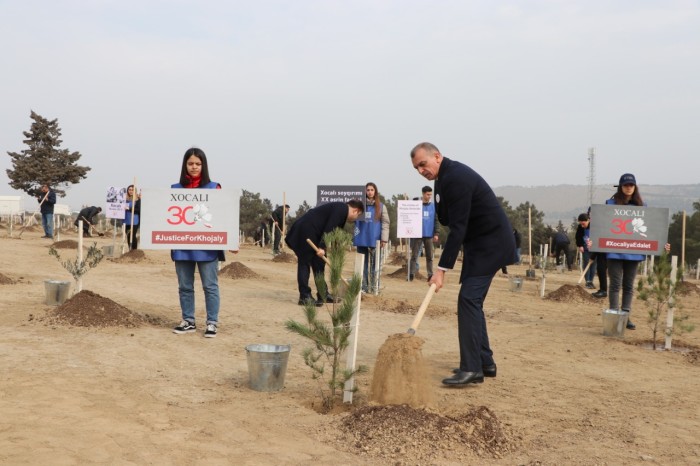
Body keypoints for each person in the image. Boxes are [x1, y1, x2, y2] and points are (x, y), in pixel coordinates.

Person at [410, 142, 515, 386]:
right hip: (480, 246)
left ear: (437, 156)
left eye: (423, 164)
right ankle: (485, 363)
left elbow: (457, 227)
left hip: (491, 244)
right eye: (416, 168)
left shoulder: (454, 177)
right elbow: (446, 216)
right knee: (472, 301)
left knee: (468, 300)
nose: (420, 171)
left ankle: (472, 369)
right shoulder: (444, 177)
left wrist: (441, 270)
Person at [597, 173, 670, 330]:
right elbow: (601, 226)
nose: (628, 188)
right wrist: (593, 241)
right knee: (615, 285)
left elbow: (652, 229)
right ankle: (615, 315)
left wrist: (662, 244)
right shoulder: (610, 204)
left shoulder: (642, 207)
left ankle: (626, 316)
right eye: (625, 185)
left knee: (629, 285)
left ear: (635, 187)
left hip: (634, 252)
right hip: (614, 251)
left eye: (631, 185)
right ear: (621, 187)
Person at [171, 148, 230, 338]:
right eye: (190, 164)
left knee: (210, 286)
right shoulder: (175, 189)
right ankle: (188, 320)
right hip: (182, 246)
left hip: (207, 247)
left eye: (198, 164)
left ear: (203, 166)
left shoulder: (214, 188)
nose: (194, 167)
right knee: (185, 286)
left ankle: (212, 323)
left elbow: (223, 215)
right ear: (185, 165)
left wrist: (231, 240)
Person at [285, 200, 364, 306]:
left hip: (314, 234)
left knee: (319, 263)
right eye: (358, 216)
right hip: (305, 231)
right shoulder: (341, 209)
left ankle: (323, 294)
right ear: (356, 211)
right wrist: (322, 247)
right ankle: (304, 296)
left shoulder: (341, 211)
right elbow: (329, 227)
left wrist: (334, 251)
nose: (355, 219)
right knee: (305, 262)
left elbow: (335, 233)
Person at [353, 182, 390, 293]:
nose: (369, 192)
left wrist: (384, 239)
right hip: (362, 238)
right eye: (368, 190)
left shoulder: (381, 206)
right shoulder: (359, 206)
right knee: (363, 265)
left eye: (372, 190)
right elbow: (351, 218)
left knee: (375, 265)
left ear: (375, 192)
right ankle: (364, 287)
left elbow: (385, 223)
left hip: (375, 240)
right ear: (365, 191)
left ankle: (374, 287)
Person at [409, 186, 438, 282]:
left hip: (429, 235)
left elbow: (436, 220)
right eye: (427, 194)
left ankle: (430, 274)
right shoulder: (416, 204)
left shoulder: (433, 206)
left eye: (430, 194)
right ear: (423, 193)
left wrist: (436, 233)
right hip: (417, 234)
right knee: (414, 255)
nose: (429, 196)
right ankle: (411, 273)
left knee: (429, 257)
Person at [575, 213, 596, 288]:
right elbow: (578, 237)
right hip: (585, 249)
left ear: (588, 220)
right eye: (581, 223)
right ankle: (587, 281)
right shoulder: (580, 228)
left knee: (593, 264)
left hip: (594, 249)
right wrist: (580, 245)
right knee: (586, 263)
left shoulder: (594, 226)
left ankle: (591, 281)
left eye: (583, 223)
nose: (582, 225)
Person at [124, 185, 141, 250]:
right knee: (128, 235)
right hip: (127, 220)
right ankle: (130, 250)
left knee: (132, 235)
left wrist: (129, 209)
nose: (131, 191)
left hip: (135, 220)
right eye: (129, 189)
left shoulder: (137, 200)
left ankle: (134, 250)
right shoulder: (125, 200)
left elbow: (138, 210)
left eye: (132, 190)